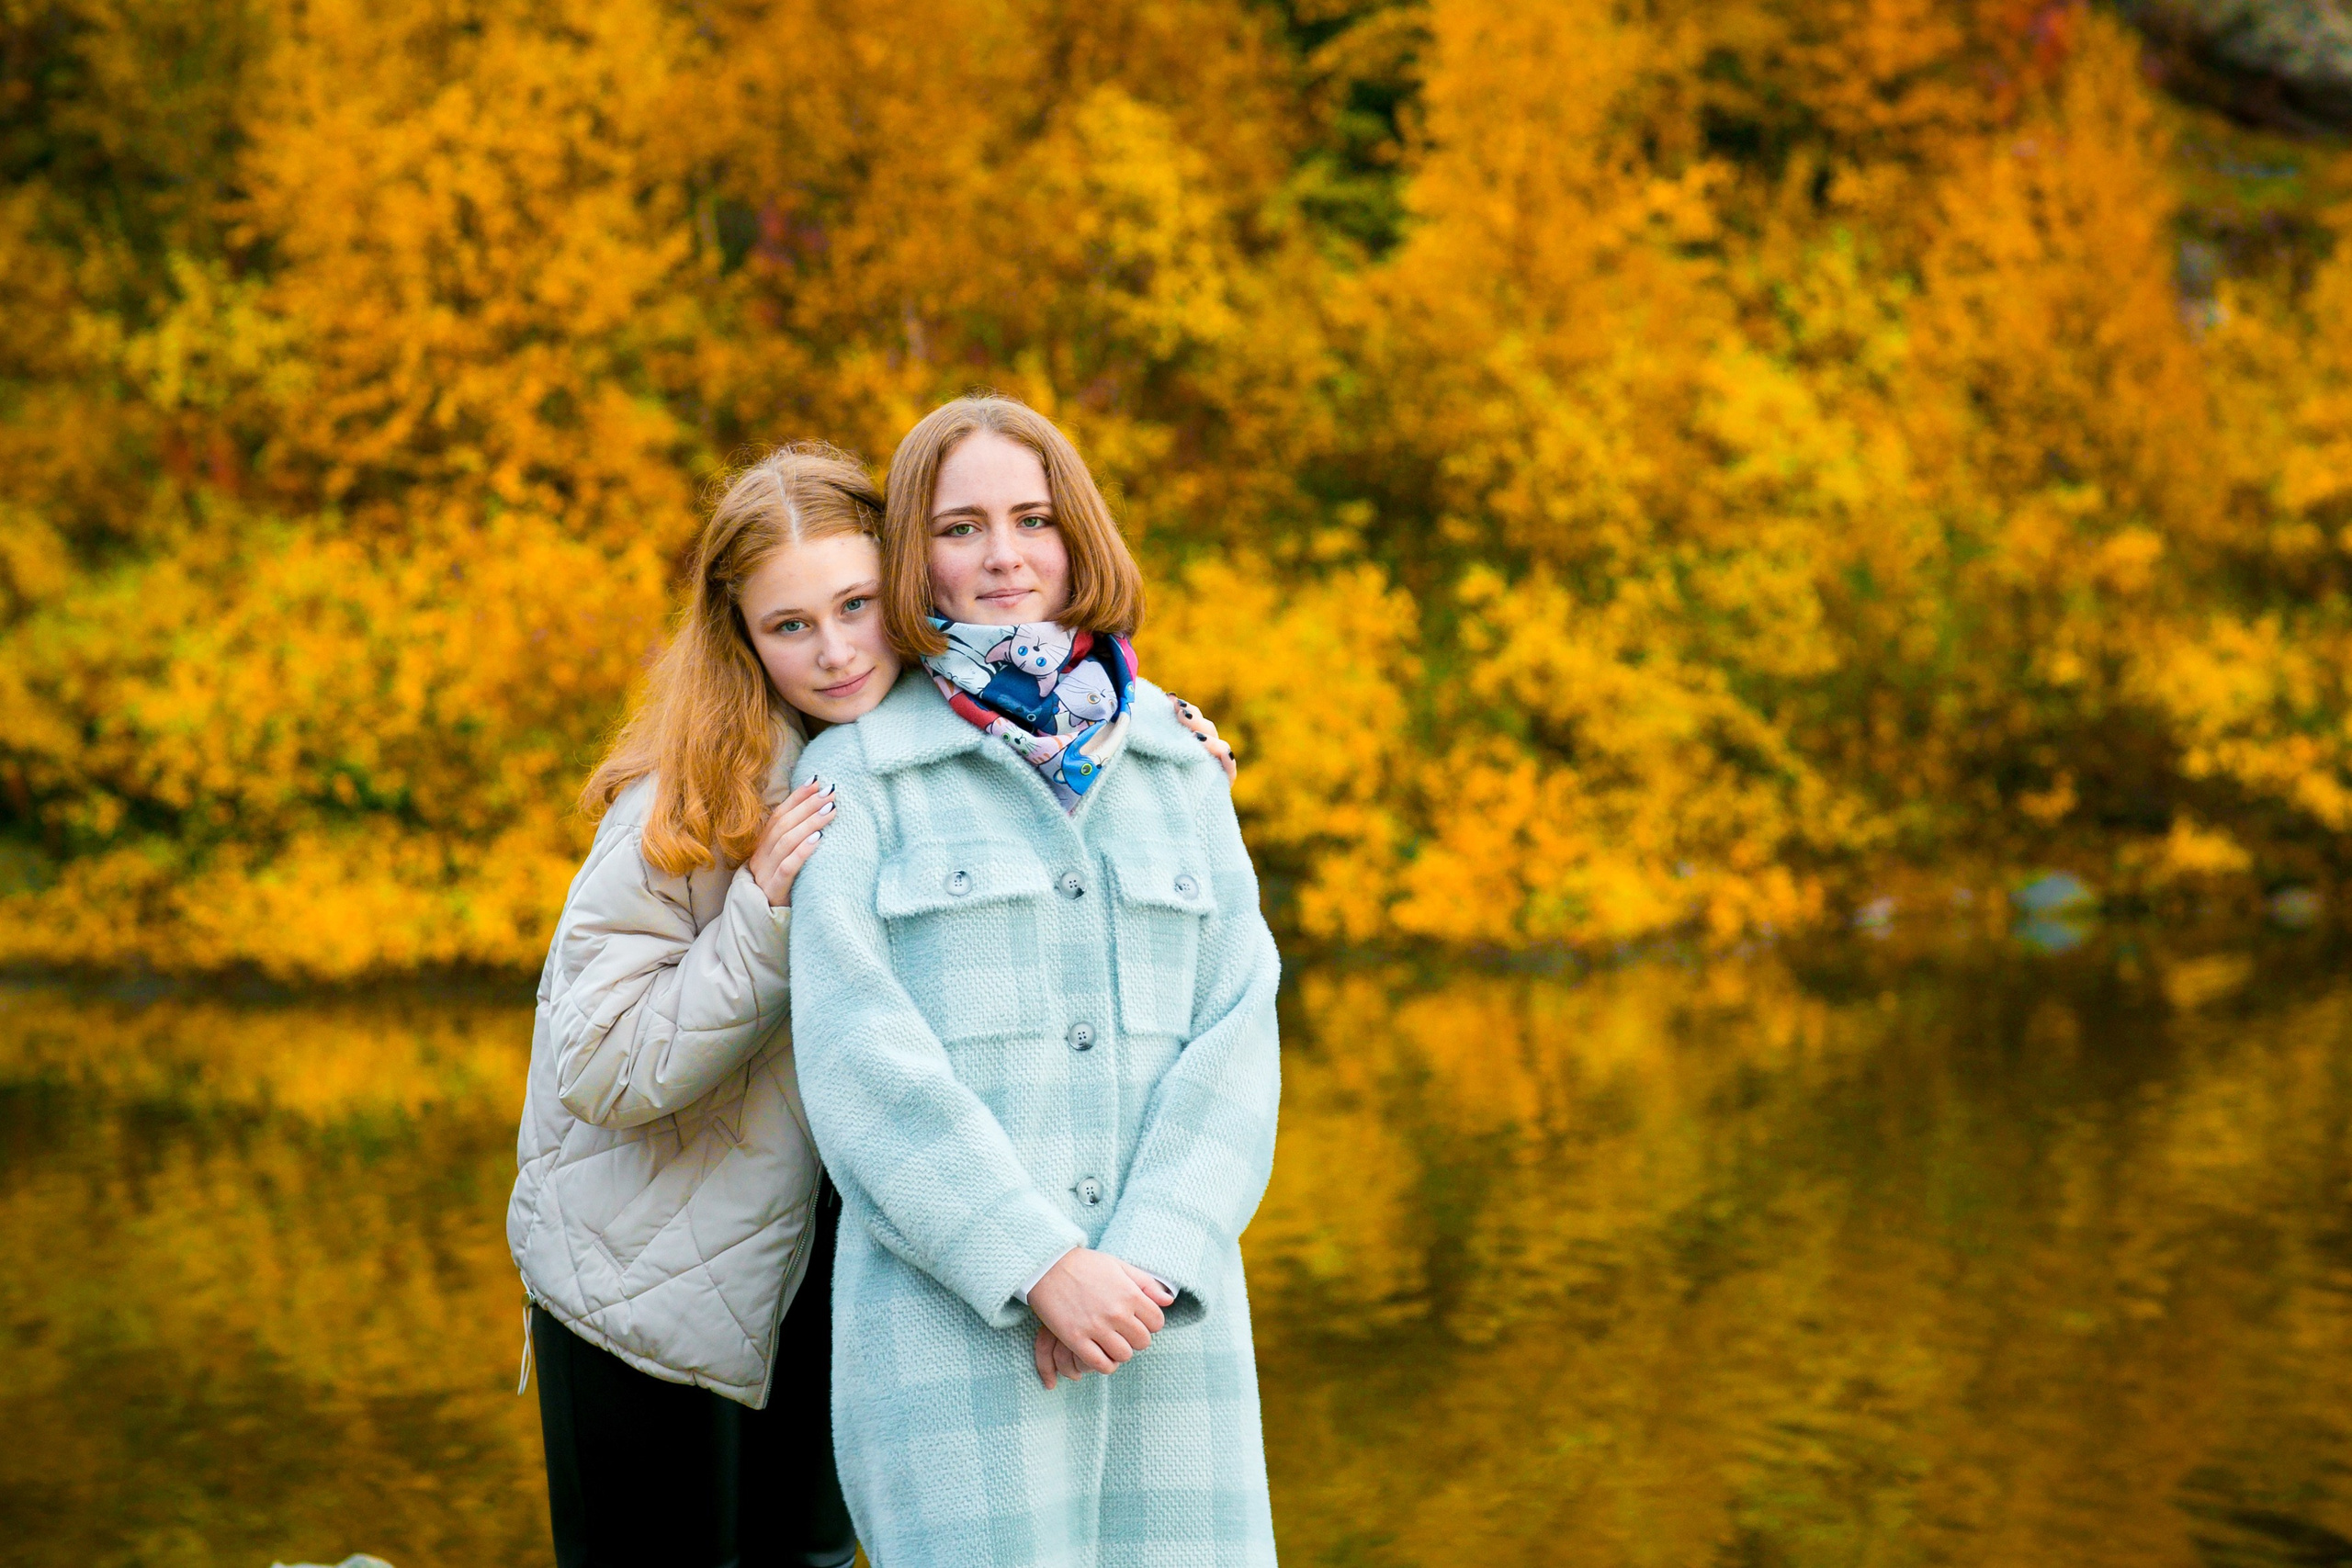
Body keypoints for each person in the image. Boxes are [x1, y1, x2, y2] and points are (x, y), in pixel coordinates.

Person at [505, 443, 1236, 1568]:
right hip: (650, 1292)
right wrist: (760, 915)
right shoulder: (684, 802)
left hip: (846, 1274)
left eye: (856, 606)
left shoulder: (953, 757)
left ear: (901, 588)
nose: (837, 651)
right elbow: (598, 1068)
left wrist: (1156, 747)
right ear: (740, 637)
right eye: (789, 625)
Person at [786, 396, 1283, 1568]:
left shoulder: (1179, 764)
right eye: (960, 528)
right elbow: (860, 1065)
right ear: (914, 558)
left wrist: (1142, 1264)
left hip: (1168, 1330)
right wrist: (1041, 1268)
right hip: (955, 1338)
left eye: (1033, 519)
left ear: (1078, 536)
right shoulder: (857, 776)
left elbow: (1238, 1034)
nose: (1004, 554)